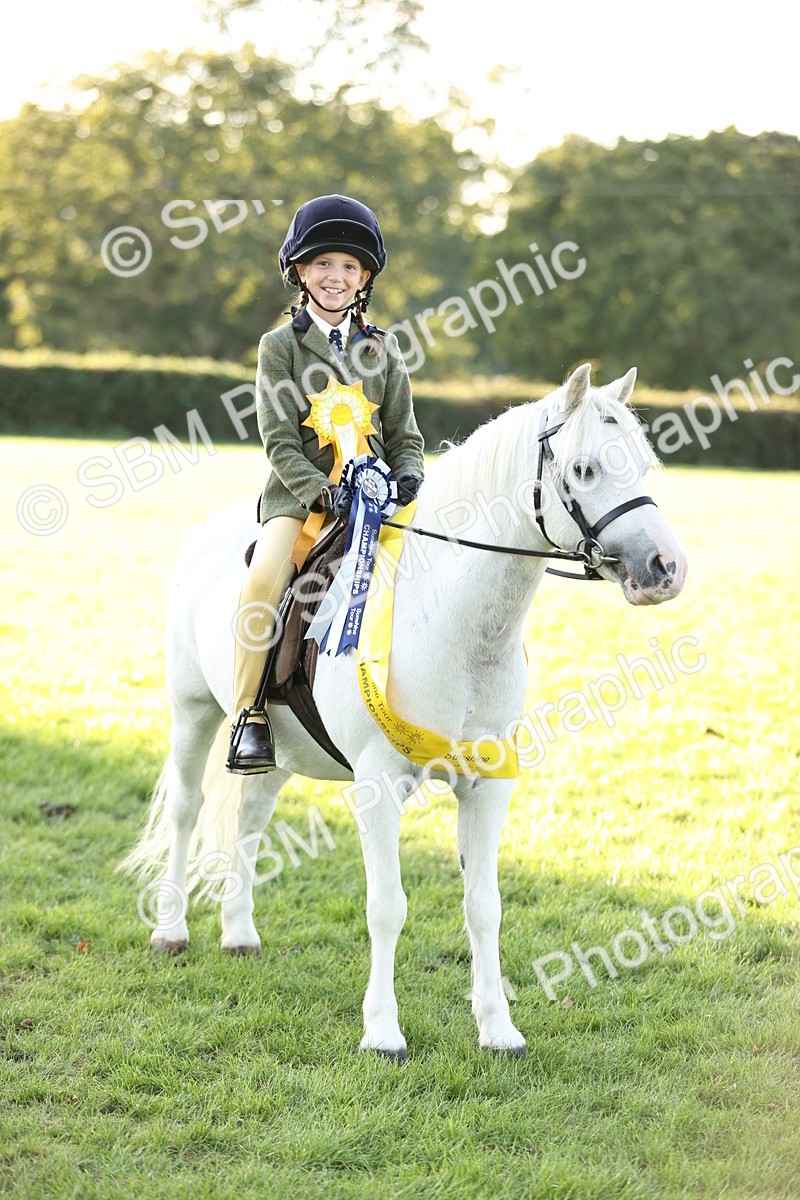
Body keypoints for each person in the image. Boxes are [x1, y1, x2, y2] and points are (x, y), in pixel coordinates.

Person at [227, 194, 425, 774]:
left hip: (380, 498)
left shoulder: (381, 350)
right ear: (300, 271)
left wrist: (410, 474)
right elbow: (278, 439)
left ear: (364, 278)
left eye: (348, 267)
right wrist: (320, 490)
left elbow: (405, 433)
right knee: (265, 579)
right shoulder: (279, 348)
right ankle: (249, 716)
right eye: (323, 264)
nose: (335, 277)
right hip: (303, 499)